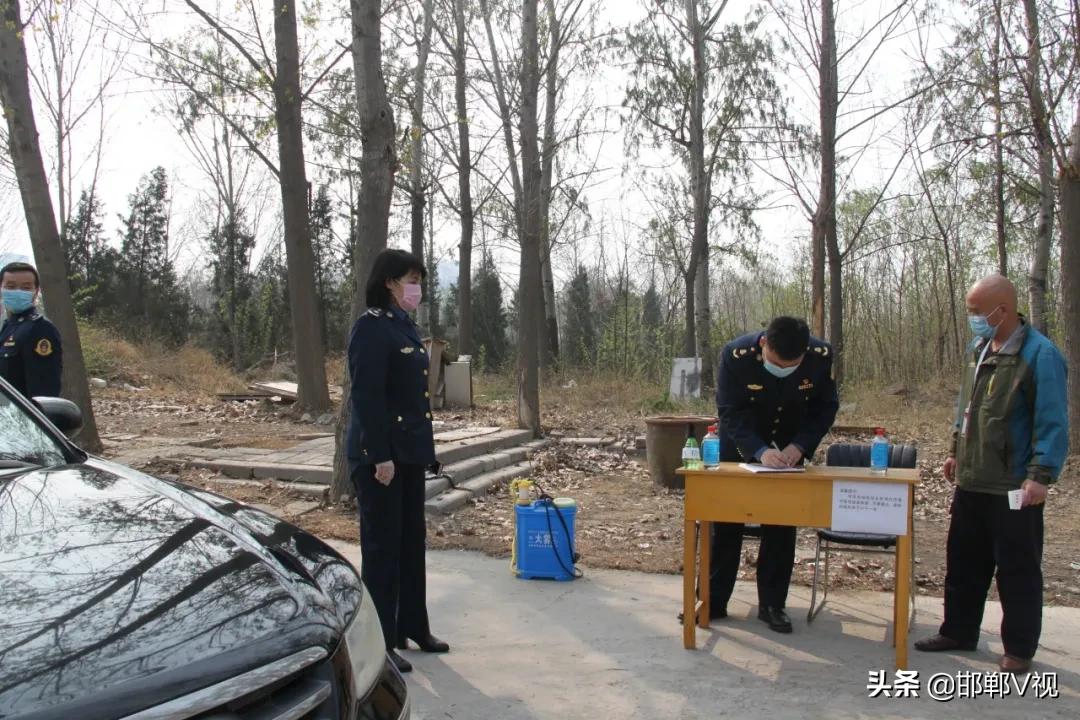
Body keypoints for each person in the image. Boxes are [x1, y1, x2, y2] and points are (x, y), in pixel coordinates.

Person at [915, 274, 1068, 674]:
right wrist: (955, 451)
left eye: (975, 312)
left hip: (1014, 484)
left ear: (1002, 310)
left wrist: (1040, 475)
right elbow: (965, 407)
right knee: (963, 561)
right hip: (972, 478)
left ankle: (1018, 649)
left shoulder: (1040, 355)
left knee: (1017, 570)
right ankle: (959, 631)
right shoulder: (979, 348)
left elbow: (1051, 421)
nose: (972, 319)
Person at [346, 249, 447, 675]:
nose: (416, 288)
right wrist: (380, 455)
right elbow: (367, 397)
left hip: (407, 455)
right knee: (382, 551)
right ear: (388, 281)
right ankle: (381, 640)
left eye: (419, 280)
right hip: (380, 457)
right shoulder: (370, 329)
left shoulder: (404, 327)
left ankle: (413, 627)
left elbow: (415, 401)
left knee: (410, 544)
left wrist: (424, 454)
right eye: (410, 279)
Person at [710, 316, 839, 633]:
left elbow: (825, 407)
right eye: (776, 363)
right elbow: (729, 410)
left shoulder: (820, 356)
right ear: (763, 343)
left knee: (781, 526)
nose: (783, 369)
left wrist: (800, 445)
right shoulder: (735, 355)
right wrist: (758, 450)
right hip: (741, 449)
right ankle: (713, 600)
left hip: (789, 450)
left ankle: (772, 605)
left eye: (791, 366)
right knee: (726, 523)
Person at [0, 262, 62, 399]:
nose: (18, 292)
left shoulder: (41, 329)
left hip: (21, 418)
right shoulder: (7, 326)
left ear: (36, 291)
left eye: (26, 288)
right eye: (11, 287)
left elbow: (43, 394)